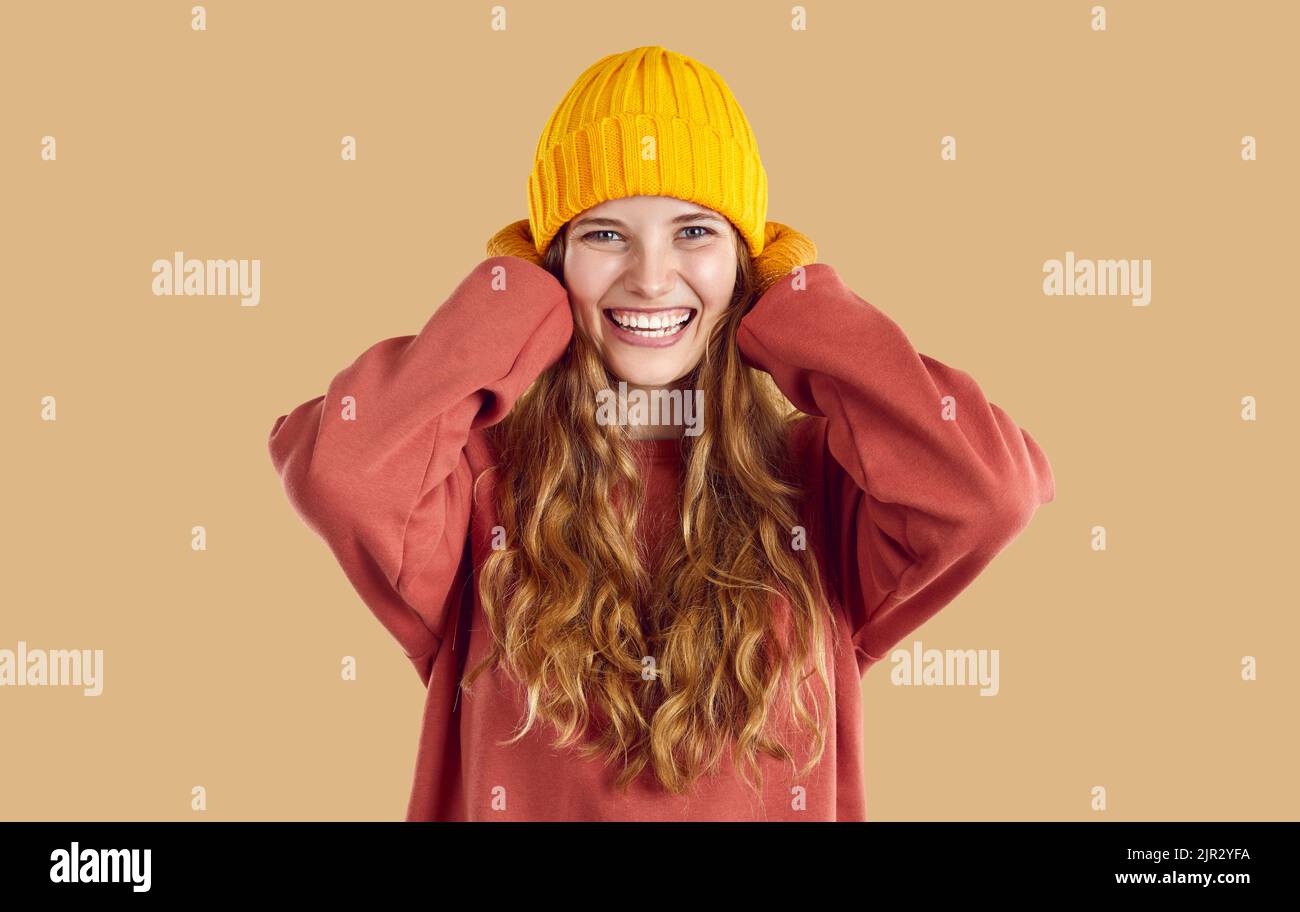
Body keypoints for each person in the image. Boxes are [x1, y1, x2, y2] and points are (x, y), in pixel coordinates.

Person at [267, 45, 1055, 821]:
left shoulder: (824, 489)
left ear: (747, 265)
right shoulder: (471, 482)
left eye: (695, 233)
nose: (649, 277)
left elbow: (987, 489)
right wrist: (518, 297)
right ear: (552, 265)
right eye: (604, 235)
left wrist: (792, 303)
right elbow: (343, 467)